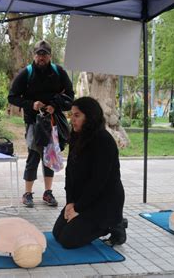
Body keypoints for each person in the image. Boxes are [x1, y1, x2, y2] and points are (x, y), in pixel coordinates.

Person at [52, 97, 126, 249]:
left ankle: (114, 224)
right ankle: (99, 221)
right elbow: (70, 173)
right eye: (71, 115)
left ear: (90, 117)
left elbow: (98, 182)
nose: (72, 119)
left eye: (77, 115)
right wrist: (70, 203)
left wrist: (78, 209)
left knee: (68, 240)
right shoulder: (76, 136)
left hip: (104, 201)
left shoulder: (104, 141)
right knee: (57, 233)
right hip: (82, 199)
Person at [8, 40, 74, 208]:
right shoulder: (26, 73)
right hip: (33, 121)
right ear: (34, 55)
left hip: (53, 121)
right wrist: (31, 104)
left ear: (50, 56)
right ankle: (27, 193)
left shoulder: (58, 72)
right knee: (34, 155)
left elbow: (70, 96)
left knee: (50, 155)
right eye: (38, 54)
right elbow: (12, 97)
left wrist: (55, 106)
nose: (41, 57)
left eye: (44, 54)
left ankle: (48, 192)